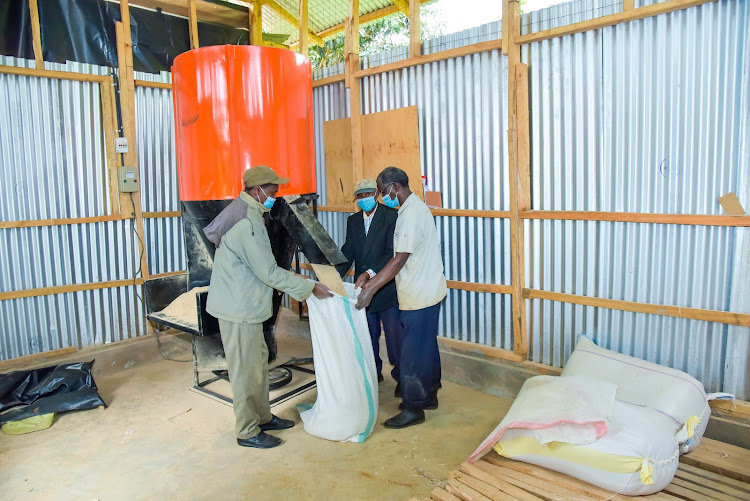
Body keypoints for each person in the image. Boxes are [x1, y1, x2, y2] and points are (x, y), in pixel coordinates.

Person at [204, 165, 333, 449]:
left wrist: (301, 281)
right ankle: (247, 431)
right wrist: (310, 287)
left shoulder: (249, 212)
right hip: (238, 311)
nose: (275, 196)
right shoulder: (247, 224)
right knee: (246, 372)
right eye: (273, 192)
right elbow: (269, 273)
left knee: (258, 365)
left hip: (246, 305)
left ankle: (262, 417)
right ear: (256, 191)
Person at [356, 167, 447, 429]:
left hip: (420, 294)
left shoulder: (410, 215)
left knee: (412, 354)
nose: (383, 197)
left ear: (395, 187)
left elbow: (398, 260)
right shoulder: (411, 209)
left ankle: (413, 407)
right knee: (426, 347)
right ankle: (429, 395)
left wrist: (371, 288)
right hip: (427, 291)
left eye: (384, 192)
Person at [336, 178, 403, 385]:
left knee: (394, 337)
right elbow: (348, 251)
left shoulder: (391, 216)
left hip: (386, 287)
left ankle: (402, 378)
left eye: (368, 194)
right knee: (367, 334)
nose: (365, 198)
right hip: (363, 290)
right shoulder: (353, 221)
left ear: (375, 194)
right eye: (360, 196)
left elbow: (391, 252)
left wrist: (370, 273)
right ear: (357, 199)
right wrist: (334, 274)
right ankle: (374, 372)